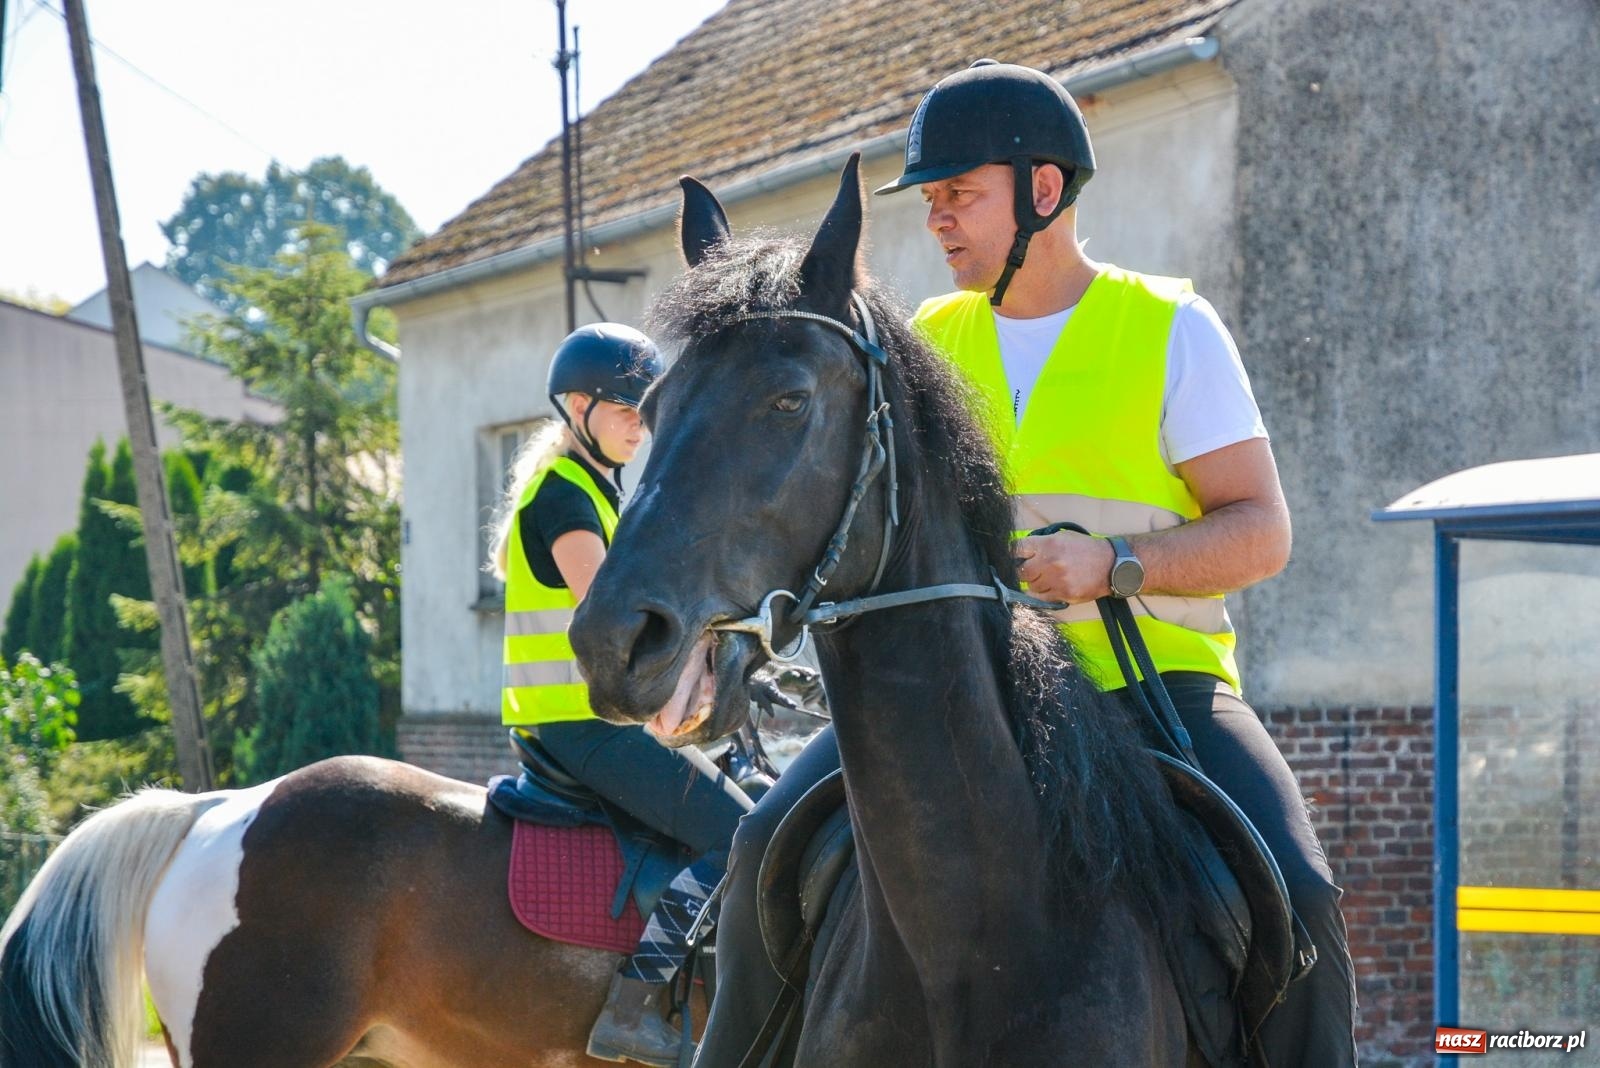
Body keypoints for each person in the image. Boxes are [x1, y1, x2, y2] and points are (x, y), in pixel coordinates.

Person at [696, 62, 1357, 1068]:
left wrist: (1113, 565)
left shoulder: (1170, 329)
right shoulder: (926, 340)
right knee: (755, 853)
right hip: (958, 695)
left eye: (959, 194)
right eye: (928, 201)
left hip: (1153, 687)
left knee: (1298, 895)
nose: (937, 221)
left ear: (1042, 190)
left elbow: (1261, 532)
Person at [488, 323, 749, 1068]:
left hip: (584, 721)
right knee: (740, 837)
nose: (641, 424)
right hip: (582, 726)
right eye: (626, 409)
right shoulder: (565, 498)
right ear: (578, 407)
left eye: (646, 411)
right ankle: (633, 1008)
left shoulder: (596, 492)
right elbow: (616, 626)